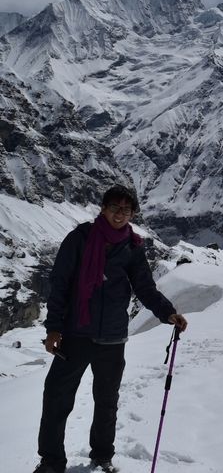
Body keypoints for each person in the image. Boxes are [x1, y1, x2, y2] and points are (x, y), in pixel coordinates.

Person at [33, 185, 188, 473]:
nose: (120, 214)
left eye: (126, 210)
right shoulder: (80, 239)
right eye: (115, 207)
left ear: (132, 214)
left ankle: (103, 456)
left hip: (113, 338)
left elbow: (144, 286)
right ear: (103, 208)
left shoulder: (132, 246)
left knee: (107, 402)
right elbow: (60, 284)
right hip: (76, 333)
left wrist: (168, 313)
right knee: (56, 397)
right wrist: (53, 328)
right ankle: (51, 461)